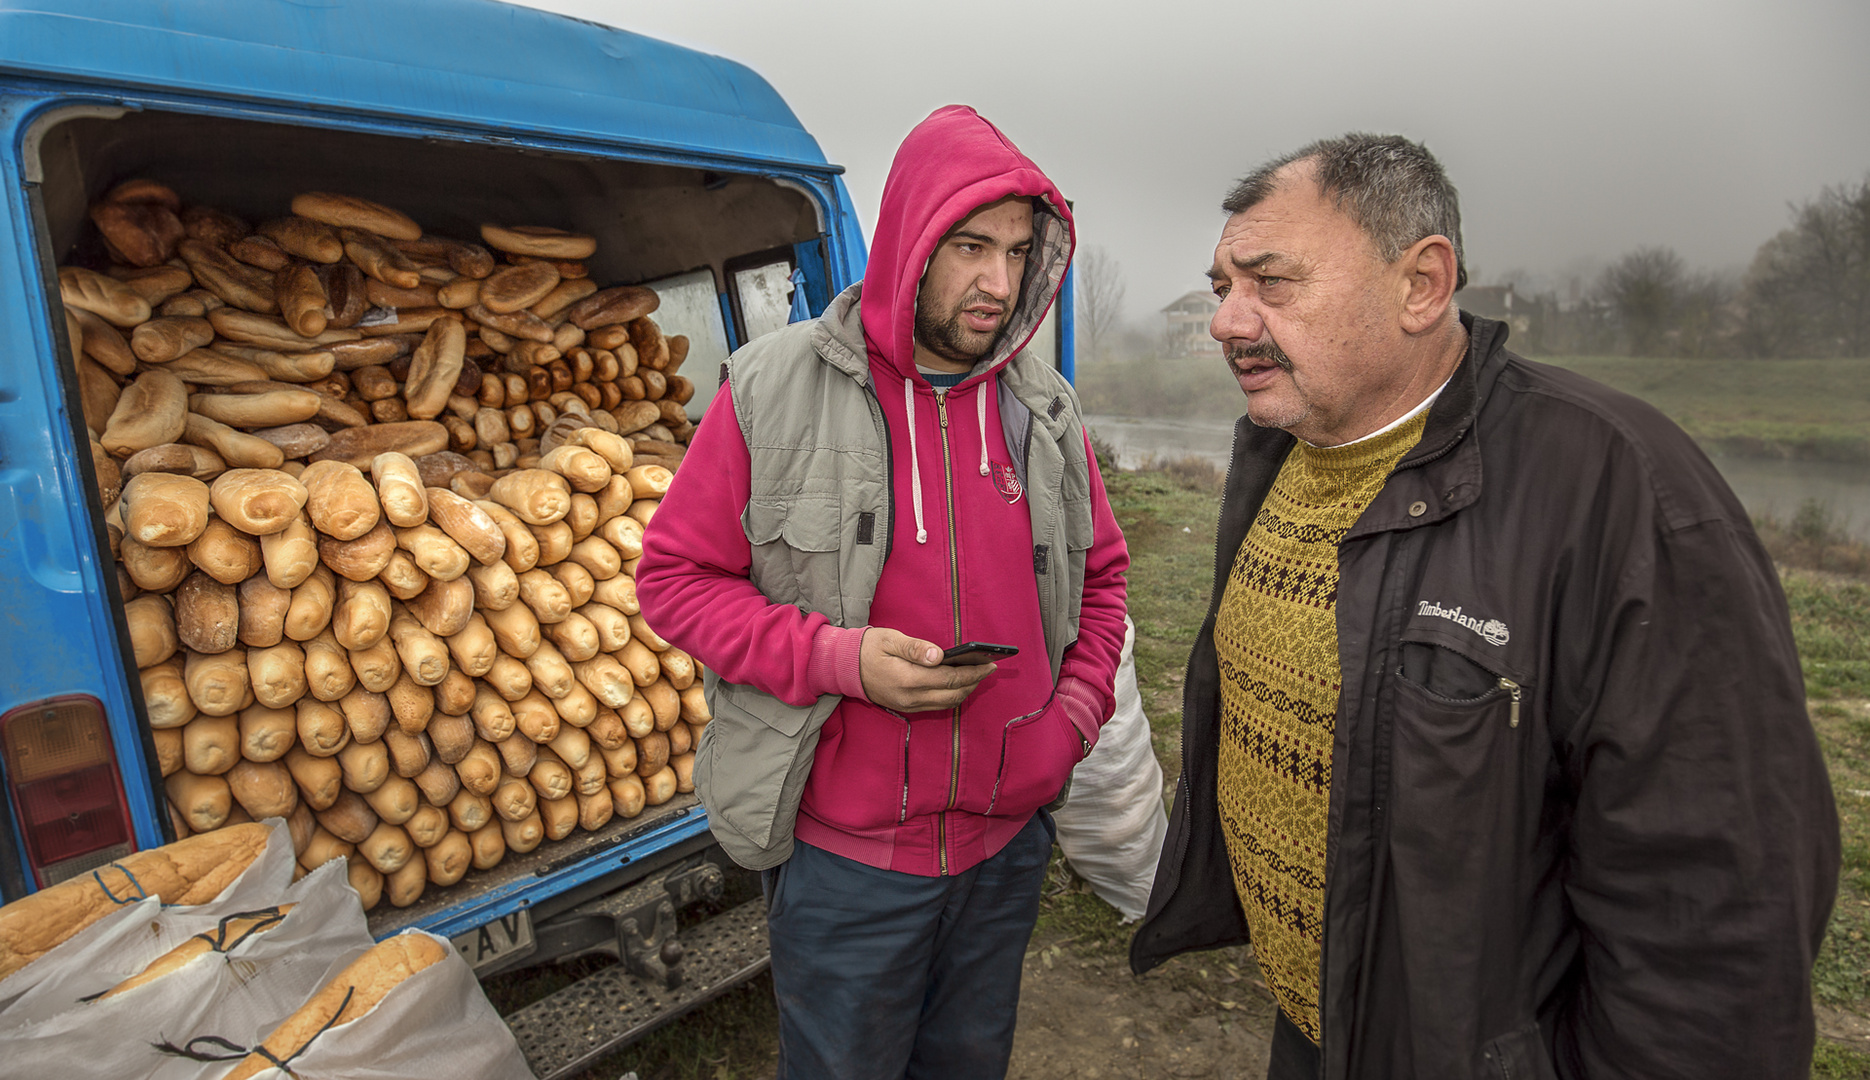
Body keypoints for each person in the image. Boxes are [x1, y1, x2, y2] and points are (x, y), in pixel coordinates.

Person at [1129, 133, 1839, 1080]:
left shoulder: (1619, 492)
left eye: (1270, 281)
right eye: (1222, 288)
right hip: (1318, 1025)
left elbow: (1713, 917)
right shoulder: (1285, 450)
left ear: (1423, 284)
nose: (1227, 322)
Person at [636, 105, 1129, 1080]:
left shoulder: (1042, 407)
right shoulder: (770, 390)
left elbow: (1104, 583)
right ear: (909, 241)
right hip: (849, 864)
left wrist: (1067, 723)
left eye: (1020, 252)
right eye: (971, 247)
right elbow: (675, 582)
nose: (999, 282)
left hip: (1002, 853)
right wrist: (840, 660)